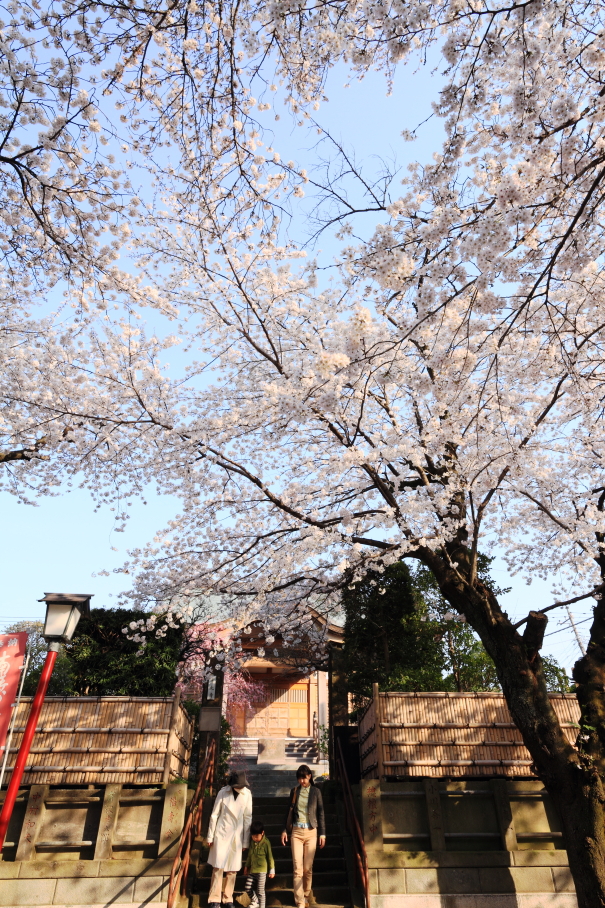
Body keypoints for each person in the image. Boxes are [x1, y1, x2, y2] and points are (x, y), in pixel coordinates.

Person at [280, 764, 325, 908]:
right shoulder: (294, 791)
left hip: (312, 832)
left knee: (307, 868)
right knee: (297, 868)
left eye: (304, 778)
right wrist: (284, 830)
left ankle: (306, 894)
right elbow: (288, 811)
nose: (302, 781)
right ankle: (299, 901)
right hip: (296, 832)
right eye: (299, 778)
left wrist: (322, 833)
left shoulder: (316, 792)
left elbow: (321, 813)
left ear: (309, 776)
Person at [207, 770, 253, 908]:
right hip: (221, 833)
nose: (240, 787)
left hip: (236, 836)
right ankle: (214, 899)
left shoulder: (247, 794)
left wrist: (245, 841)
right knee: (218, 867)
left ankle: (228, 898)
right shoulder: (223, 792)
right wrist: (210, 836)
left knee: (232, 869)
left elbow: (248, 818)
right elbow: (214, 815)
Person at [243, 819, 275, 908]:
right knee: (248, 887)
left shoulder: (266, 843)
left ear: (262, 833)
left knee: (260, 891)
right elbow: (249, 855)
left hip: (262, 871)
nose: (255, 838)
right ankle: (255, 900)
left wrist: (272, 870)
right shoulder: (252, 843)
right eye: (253, 836)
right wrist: (246, 866)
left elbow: (270, 857)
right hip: (252, 870)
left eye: (257, 836)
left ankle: (262, 906)